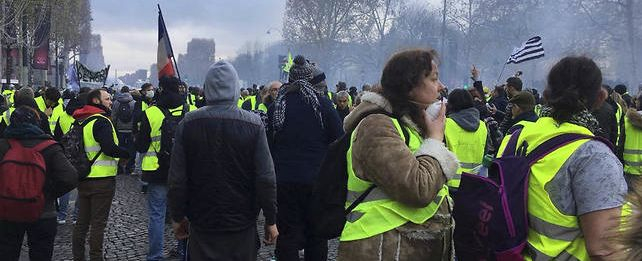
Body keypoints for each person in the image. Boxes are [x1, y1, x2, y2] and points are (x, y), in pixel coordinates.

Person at [497, 56, 627, 260]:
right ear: (601, 97)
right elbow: (604, 250)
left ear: (547, 95)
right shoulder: (593, 156)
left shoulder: (516, 133)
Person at [337, 49, 457, 260]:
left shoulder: (408, 126)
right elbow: (418, 188)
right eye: (434, 79)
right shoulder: (376, 125)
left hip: (400, 246)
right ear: (409, 86)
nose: (441, 87)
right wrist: (435, 141)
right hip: (380, 247)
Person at [168, 61, 278, 260]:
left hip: (202, 220)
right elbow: (265, 178)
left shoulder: (188, 124)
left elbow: (177, 179)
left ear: (207, 88)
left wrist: (177, 216)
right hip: (241, 221)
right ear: (235, 88)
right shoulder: (254, 125)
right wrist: (271, 219)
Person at [268, 55, 343, 261]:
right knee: (317, 235)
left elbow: (269, 144)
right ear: (311, 80)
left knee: (287, 234)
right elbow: (339, 141)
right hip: (316, 180)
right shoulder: (323, 105)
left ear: (289, 79)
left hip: (283, 181)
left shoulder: (277, 107)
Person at [0, 106, 77, 261]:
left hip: (7, 210)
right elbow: (70, 177)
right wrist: (46, 193)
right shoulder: (50, 147)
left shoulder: (3, 145)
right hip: (43, 211)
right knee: (41, 253)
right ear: (37, 123)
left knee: (7, 252)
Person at [136, 76, 194, 261]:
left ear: (161, 89)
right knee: (186, 213)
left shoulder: (151, 112)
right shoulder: (190, 110)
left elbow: (141, 146)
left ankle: (155, 256)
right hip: (185, 170)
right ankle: (184, 252)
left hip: (157, 170)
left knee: (156, 215)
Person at [72, 88, 130, 261]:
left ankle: (78, 257)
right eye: (107, 99)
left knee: (81, 223)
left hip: (84, 178)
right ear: (96, 101)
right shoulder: (101, 121)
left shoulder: (80, 120)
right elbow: (109, 148)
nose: (111, 102)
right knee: (98, 224)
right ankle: (96, 257)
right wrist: (126, 153)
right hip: (102, 180)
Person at [444, 89, 488, 191]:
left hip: (450, 184)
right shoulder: (482, 126)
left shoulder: (446, 124)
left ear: (450, 104)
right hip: (474, 183)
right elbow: (486, 153)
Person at [112, 86, 136, 175]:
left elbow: (114, 116)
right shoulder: (134, 102)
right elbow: (135, 117)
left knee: (120, 147)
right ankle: (129, 167)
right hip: (131, 130)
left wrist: (114, 126)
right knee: (131, 148)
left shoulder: (116, 102)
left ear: (121, 92)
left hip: (120, 129)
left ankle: (120, 167)